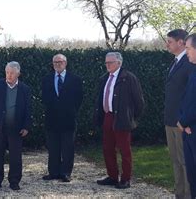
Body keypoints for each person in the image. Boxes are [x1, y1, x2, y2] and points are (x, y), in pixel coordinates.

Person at [94, 52, 144, 189]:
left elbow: (139, 101)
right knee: (107, 148)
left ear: (119, 63)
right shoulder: (104, 78)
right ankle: (112, 176)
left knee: (124, 150)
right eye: (106, 62)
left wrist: (130, 117)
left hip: (122, 118)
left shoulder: (128, 78)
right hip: (108, 116)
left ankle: (126, 179)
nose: (107, 65)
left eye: (110, 62)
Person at [0, 61, 32, 191]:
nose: (9, 75)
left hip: (16, 129)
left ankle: (14, 181)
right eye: (7, 72)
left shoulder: (25, 89)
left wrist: (26, 126)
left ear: (18, 73)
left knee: (15, 157)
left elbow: (28, 110)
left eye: (12, 73)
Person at [41, 54, 83, 182]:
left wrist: (71, 110)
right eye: (55, 62)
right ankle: (53, 172)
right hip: (51, 119)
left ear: (65, 63)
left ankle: (65, 172)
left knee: (67, 148)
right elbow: (44, 98)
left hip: (68, 119)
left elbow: (79, 99)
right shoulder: (47, 79)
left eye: (60, 62)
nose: (57, 64)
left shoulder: (75, 79)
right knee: (53, 148)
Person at [164, 29, 196, 198]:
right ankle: (179, 194)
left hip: (183, 122)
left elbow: (191, 94)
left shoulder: (190, 63)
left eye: (169, 41)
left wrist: (186, 121)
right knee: (176, 161)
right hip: (170, 120)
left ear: (181, 42)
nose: (166, 45)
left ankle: (189, 194)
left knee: (186, 162)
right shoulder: (175, 61)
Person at [177, 33, 196, 199]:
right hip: (189, 130)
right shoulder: (194, 73)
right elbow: (185, 101)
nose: (187, 51)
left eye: (189, 48)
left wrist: (184, 121)